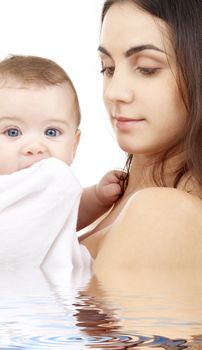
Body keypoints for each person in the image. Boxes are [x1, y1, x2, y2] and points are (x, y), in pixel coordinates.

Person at [80, 0, 202, 273]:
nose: (114, 92)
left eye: (147, 68)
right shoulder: (107, 201)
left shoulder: (165, 213)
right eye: (108, 68)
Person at [0, 54, 123, 272]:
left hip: (60, 288)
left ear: (74, 145)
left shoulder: (57, 183)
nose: (35, 147)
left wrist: (97, 196)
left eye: (51, 132)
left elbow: (61, 213)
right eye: (12, 132)